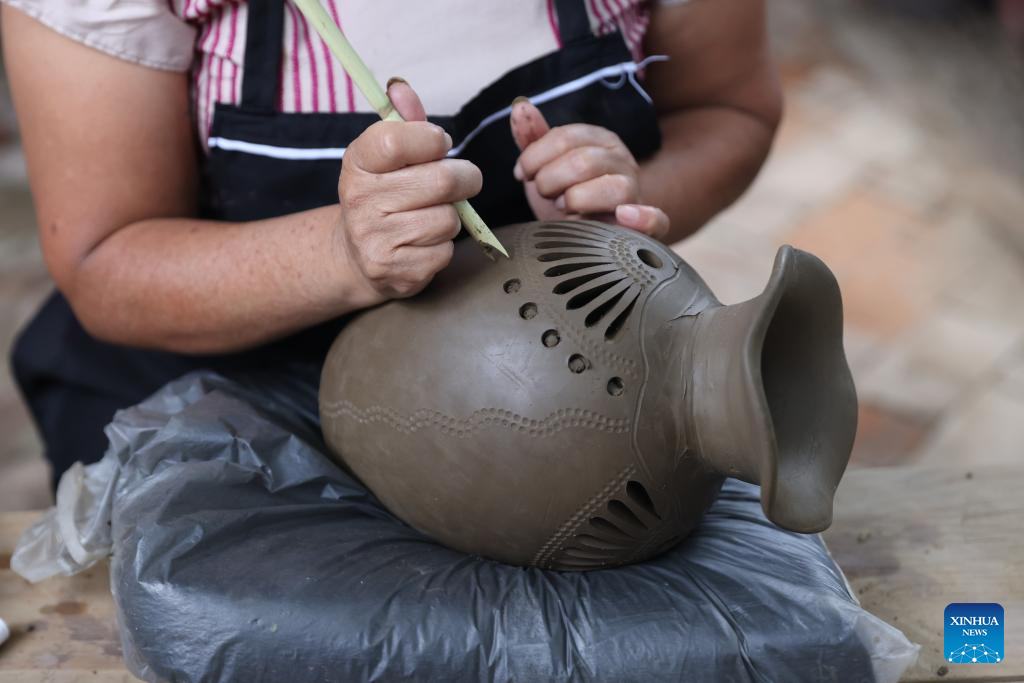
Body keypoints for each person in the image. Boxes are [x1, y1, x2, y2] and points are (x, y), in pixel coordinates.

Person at [1, 0, 782, 486]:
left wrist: (624, 201)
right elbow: (106, 258)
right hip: (217, 409)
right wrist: (340, 254)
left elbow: (729, 109)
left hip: (542, 410)